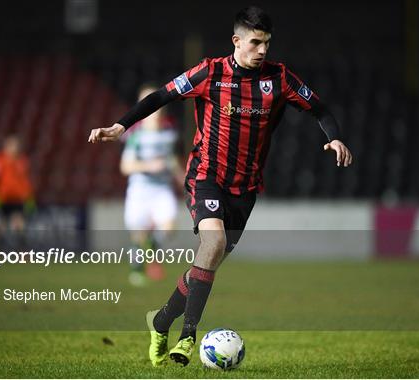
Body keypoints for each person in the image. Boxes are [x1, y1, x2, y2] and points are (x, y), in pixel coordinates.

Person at [89, 6, 353, 367]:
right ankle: (187, 338)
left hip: (245, 191)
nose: (262, 50)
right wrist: (121, 126)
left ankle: (161, 320)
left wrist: (335, 138)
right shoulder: (210, 72)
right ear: (237, 41)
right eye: (255, 42)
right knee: (211, 244)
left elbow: (319, 109)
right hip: (206, 177)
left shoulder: (280, 78)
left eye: (267, 43)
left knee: (206, 264)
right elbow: (160, 97)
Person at [120, 83, 183, 287]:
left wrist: (184, 180)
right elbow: (126, 166)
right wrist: (149, 165)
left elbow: (172, 161)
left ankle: (152, 245)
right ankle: (137, 271)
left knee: (169, 228)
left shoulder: (169, 133)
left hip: (162, 190)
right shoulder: (135, 136)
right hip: (139, 190)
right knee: (137, 236)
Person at [0, 135, 35, 237]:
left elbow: (25, 181)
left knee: (19, 224)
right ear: (6, 146)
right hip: (3, 198)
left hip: (17, 198)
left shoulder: (22, 161)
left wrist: (29, 195)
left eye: (17, 145)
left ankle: (22, 251)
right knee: (2, 224)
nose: (15, 148)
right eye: (12, 145)